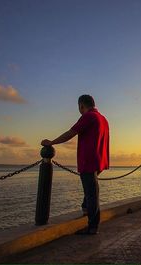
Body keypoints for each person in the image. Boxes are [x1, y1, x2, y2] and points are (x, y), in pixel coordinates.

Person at [41, 95, 109, 235]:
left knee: (91, 194)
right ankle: (86, 209)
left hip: (88, 161)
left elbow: (71, 133)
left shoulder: (88, 116)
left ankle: (92, 227)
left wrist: (51, 142)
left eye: (79, 107)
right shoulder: (103, 119)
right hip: (100, 161)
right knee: (91, 191)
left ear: (81, 106)